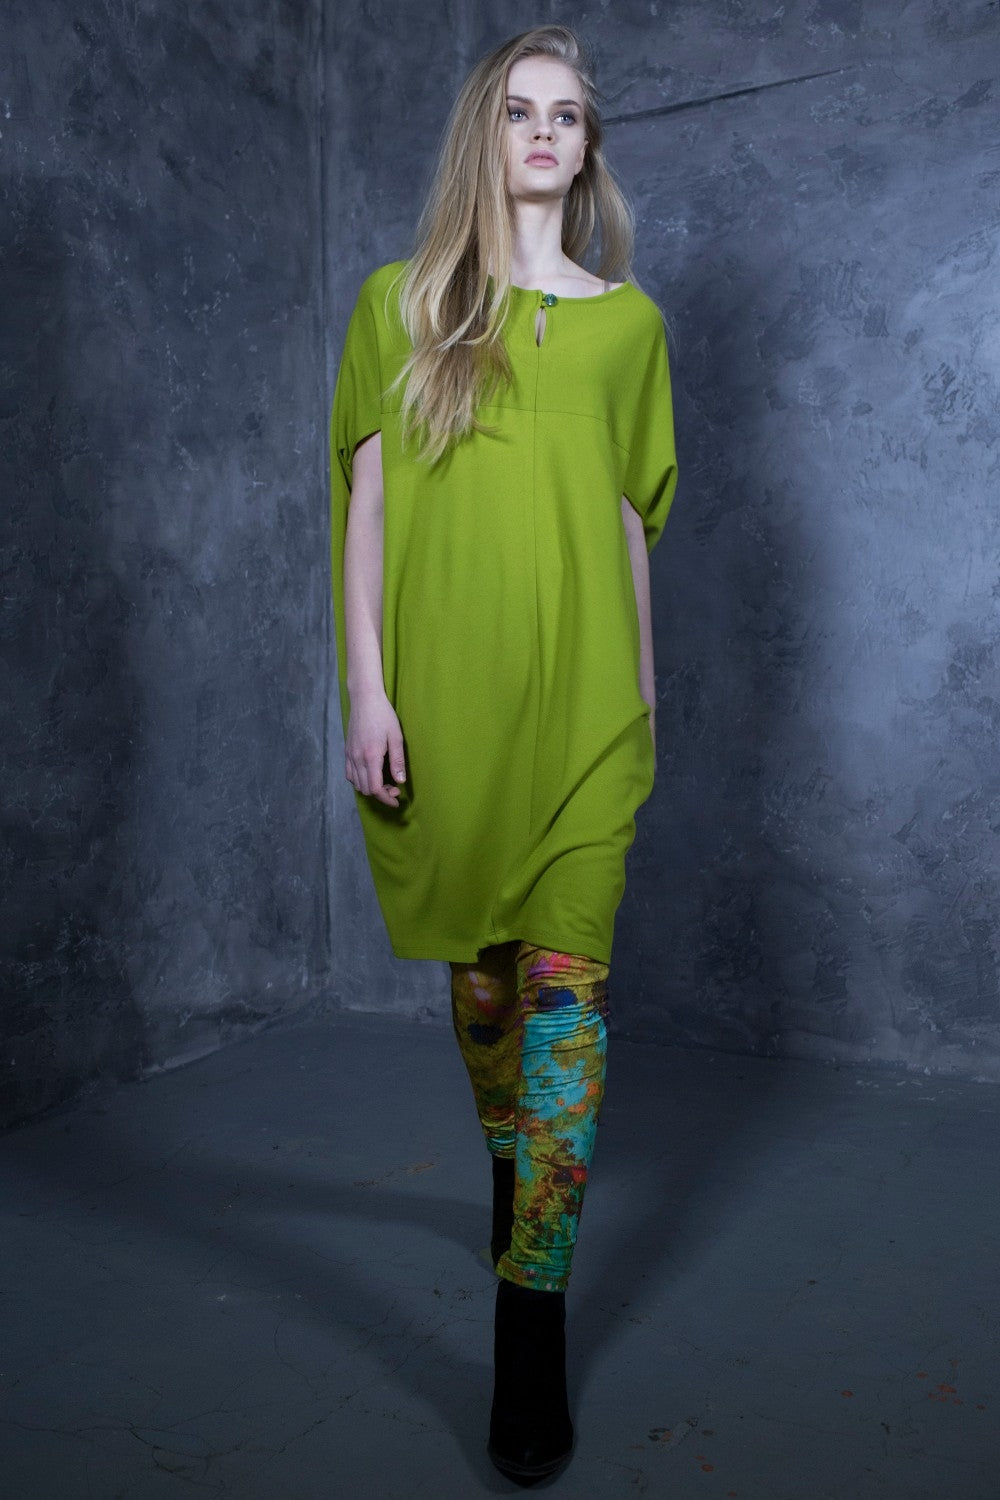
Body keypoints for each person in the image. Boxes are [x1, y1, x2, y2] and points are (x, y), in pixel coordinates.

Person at [329, 22, 677, 1486]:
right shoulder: (398, 305)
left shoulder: (631, 326)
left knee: (566, 1004)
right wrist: (368, 691)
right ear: (487, 133)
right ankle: (508, 1161)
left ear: (588, 148)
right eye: (522, 109)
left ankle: (528, 1329)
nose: (545, 131)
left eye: (569, 115)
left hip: (589, 717)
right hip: (451, 709)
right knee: (485, 993)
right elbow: (365, 509)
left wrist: (642, 699)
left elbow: (630, 522)